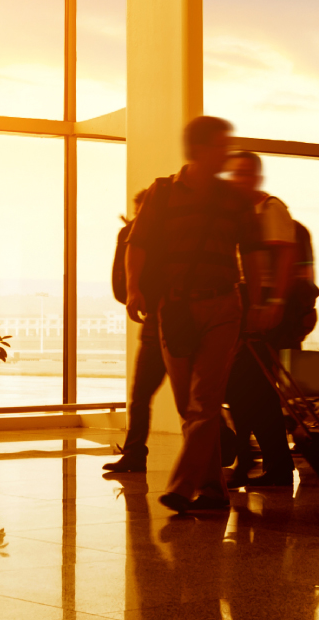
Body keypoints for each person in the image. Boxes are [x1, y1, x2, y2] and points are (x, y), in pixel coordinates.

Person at [126, 116, 265, 513]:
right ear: (201, 148)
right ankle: (215, 491)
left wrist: (256, 304)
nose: (228, 151)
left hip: (223, 306)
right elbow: (138, 244)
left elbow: (252, 254)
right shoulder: (163, 192)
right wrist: (135, 287)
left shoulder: (233, 198)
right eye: (222, 145)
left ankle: (182, 487)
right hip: (175, 309)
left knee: (204, 401)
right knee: (191, 406)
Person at [221, 151, 296, 488]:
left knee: (250, 386)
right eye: (235, 174)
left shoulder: (270, 208)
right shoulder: (235, 212)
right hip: (242, 298)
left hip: (262, 299)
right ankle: (268, 462)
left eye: (247, 173)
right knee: (251, 389)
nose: (241, 179)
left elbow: (285, 257)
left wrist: (274, 302)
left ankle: (257, 460)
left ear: (257, 177)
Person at [104, 190, 164, 474]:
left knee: (141, 395)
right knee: (192, 399)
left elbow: (121, 281)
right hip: (171, 318)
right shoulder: (171, 235)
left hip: (158, 320)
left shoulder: (132, 234)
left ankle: (135, 453)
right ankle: (223, 446)